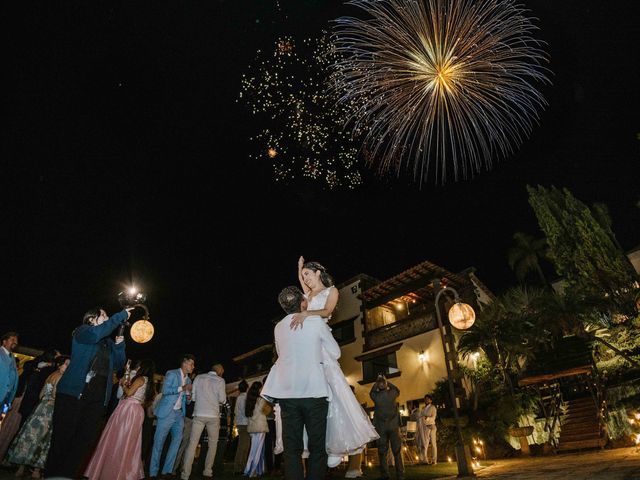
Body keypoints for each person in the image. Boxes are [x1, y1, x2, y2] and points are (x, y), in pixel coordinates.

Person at [291, 257, 379, 466]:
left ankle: (338, 444)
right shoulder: (308, 294)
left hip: (322, 341)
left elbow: (327, 311)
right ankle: (315, 442)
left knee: (333, 390)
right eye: (303, 277)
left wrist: (306, 314)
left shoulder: (332, 291)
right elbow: (303, 286)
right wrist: (299, 269)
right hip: (306, 345)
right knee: (310, 390)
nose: (306, 280)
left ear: (318, 273)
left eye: (308, 275)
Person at [261, 285, 341, 480]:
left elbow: (281, 354)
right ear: (304, 303)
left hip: (287, 394)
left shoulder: (278, 327)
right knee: (317, 448)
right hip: (314, 392)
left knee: (292, 449)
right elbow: (336, 352)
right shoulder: (315, 322)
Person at [45, 307, 131, 479]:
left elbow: (119, 364)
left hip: (97, 399)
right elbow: (95, 335)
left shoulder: (107, 343)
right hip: (73, 395)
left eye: (108, 316)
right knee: (63, 438)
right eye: (104, 315)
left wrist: (120, 345)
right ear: (92, 319)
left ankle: (66, 476)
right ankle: (53, 476)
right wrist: (119, 316)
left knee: (83, 441)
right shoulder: (83, 332)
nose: (107, 318)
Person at [84, 358, 156, 480]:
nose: (137, 367)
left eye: (139, 366)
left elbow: (128, 393)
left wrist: (122, 383)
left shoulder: (140, 378)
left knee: (118, 438)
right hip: (138, 410)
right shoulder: (149, 382)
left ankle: (112, 469)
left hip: (128, 409)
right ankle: (123, 469)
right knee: (130, 441)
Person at [6, 355, 70, 479]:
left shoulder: (50, 376)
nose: (68, 367)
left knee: (30, 436)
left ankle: (21, 468)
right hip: (50, 410)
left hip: (40, 408)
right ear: (60, 365)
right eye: (66, 364)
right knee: (42, 439)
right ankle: (36, 471)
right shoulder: (61, 377)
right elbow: (55, 395)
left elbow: (41, 394)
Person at [149, 354, 195, 479]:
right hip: (167, 412)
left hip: (179, 414)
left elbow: (187, 401)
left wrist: (189, 396)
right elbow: (165, 390)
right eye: (191, 364)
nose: (193, 367)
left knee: (177, 441)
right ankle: (153, 472)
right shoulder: (172, 373)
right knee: (159, 442)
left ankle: (167, 470)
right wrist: (182, 387)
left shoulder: (190, 380)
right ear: (184, 363)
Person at [180, 363, 227, 480]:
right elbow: (222, 399)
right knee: (212, 445)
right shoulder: (220, 380)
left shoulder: (199, 378)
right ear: (220, 371)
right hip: (213, 416)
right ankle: (207, 472)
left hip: (199, 414)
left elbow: (194, 398)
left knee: (192, 444)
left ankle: (185, 474)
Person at [370, 375, 404, 480]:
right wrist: (387, 381)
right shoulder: (392, 394)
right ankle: (400, 475)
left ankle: (385, 475)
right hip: (393, 426)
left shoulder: (375, 396)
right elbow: (397, 390)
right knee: (397, 451)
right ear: (386, 385)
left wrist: (377, 382)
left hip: (381, 427)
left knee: (382, 452)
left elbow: (371, 392)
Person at [18, 349, 58, 428]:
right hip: (31, 401)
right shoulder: (45, 370)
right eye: (57, 357)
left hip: (28, 400)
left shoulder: (39, 366)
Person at [244, 381, 268, 477]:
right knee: (257, 450)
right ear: (259, 389)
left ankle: (256, 470)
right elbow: (266, 411)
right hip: (260, 427)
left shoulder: (250, 400)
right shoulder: (261, 400)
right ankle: (251, 470)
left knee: (254, 449)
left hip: (253, 427)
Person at [232, 379, 250, 475]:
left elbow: (236, 411)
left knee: (243, 446)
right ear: (247, 388)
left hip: (240, 423)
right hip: (245, 423)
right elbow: (245, 411)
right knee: (244, 446)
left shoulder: (239, 397)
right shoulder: (245, 398)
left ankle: (240, 467)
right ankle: (239, 467)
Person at [415, 394, 437, 465]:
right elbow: (420, 416)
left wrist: (427, 418)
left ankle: (434, 460)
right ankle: (425, 459)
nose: (426, 400)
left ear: (430, 400)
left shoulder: (433, 407)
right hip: (424, 428)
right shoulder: (423, 408)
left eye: (427, 399)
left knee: (433, 444)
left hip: (431, 426)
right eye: (425, 399)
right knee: (425, 443)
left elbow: (433, 417)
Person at [0, 332, 20, 412]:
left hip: (5, 397)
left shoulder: (12, 357)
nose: (15, 342)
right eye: (12, 340)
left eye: (16, 340)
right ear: (4, 341)